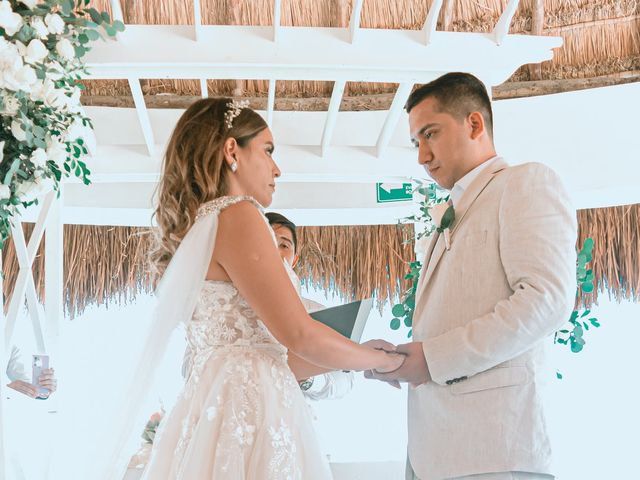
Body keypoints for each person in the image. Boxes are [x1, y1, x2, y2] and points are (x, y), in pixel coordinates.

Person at [91, 98, 403, 480]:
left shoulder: (201, 227)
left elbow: (271, 355)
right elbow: (300, 335)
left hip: (212, 410)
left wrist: (358, 354)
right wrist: (386, 362)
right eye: (268, 150)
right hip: (249, 412)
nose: (277, 169)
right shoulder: (240, 214)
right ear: (231, 150)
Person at [366, 73, 577, 480]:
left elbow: (545, 300)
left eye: (430, 134)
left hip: (496, 450)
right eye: (416, 143)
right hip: (433, 451)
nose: (422, 156)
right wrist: (398, 358)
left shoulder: (525, 183)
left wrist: (433, 360)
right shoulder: (454, 209)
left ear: (475, 124)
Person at [265, 211, 355, 400]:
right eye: (266, 240)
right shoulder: (228, 305)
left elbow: (344, 381)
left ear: (295, 259)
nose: (274, 250)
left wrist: (306, 379)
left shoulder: (316, 312)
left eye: (283, 245)